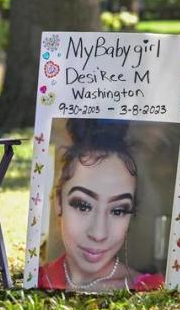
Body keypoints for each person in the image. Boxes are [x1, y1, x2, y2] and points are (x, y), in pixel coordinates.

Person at [39, 119, 164, 292]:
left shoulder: (154, 288)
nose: (98, 234)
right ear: (59, 202)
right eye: (83, 206)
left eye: (118, 210)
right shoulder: (37, 280)